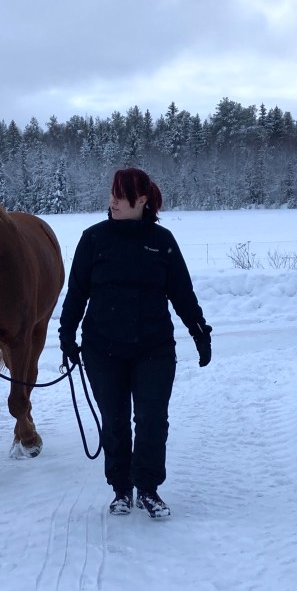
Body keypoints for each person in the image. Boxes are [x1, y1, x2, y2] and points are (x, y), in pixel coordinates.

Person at [58, 167, 212, 519]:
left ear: (141, 200)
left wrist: (199, 331)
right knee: (114, 422)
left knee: (152, 419)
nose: (112, 201)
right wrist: (66, 335)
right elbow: (76, 293)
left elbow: (182, 293)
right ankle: (121, 489)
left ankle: (148, 489)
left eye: (121, 196)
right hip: (102, 349)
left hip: (153, 348)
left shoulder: (162, 241)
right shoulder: (93, 239)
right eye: (111, 194)